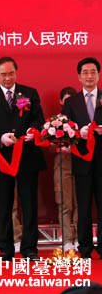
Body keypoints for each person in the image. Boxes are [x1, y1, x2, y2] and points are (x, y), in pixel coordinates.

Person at [0, 56, 46, 261]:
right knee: (4, 204)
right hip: (2, 157)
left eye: (11, 73)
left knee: (29, 204)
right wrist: (0, 138)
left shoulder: (30, 93)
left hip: (27, 155)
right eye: (3, 74)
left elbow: (39, 120)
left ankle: (30, 249)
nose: (7, 78)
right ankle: (5, 249)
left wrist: (33, 131)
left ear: (16, 72)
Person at [62, 57, 102, 259]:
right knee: (83, 205)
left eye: (93, 72)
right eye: (85, 72)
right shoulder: (71, 102)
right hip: (82, 160)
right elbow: (63, 130)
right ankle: (84, 247)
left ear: (98, 75)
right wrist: (78, 133)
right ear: (79, 76)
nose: (89, 76)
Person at [56, 86, 79, 252]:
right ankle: (66, 240)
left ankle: (79, 238)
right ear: (61, 101)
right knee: (65, 204)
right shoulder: (55, 122)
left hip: (80, 162)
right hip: (62, 164)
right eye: (66, 101)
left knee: (80, 203)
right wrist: (58, 147)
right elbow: (47, 143)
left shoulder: (80, 117)